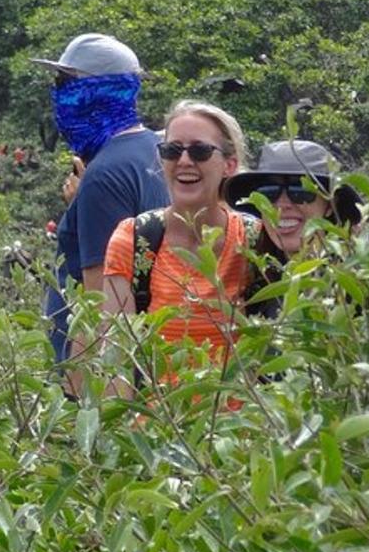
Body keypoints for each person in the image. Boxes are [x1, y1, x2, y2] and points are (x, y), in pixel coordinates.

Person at [32, 33, 169, 367]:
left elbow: (102, 309)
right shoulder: (160, 151)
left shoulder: (103, 175)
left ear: (94, 92)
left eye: (65, 81)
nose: (57, 92)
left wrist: (87, 400)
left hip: (98, 383)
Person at [100, 100, 254, 371]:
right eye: (172, 150)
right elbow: (117, 359)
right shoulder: (135, 240)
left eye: (200, 151)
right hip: (157, 413)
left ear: (229, 164)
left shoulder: (254, 240)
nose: (184, 161)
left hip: (239, 412)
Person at [224, 139, 362, 318]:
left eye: (301, 191)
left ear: (330, 203)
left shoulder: (360, 280)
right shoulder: (254, 288)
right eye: (268, 192)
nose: (282, 205)